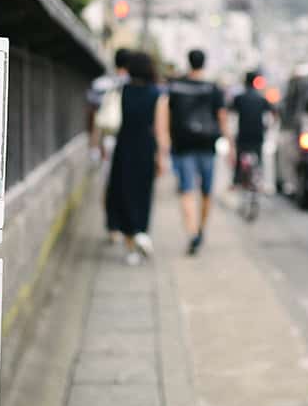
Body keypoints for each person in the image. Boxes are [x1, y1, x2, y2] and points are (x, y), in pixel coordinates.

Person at [104, 52, 169, 266]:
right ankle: (141, 232)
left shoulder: (123, 90)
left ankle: (131, 247)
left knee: (123, 192)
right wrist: (162, 157)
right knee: (143, 193)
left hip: (124, 146)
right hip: (145, 148)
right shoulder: (158, 95)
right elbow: (161, 131)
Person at [167, 48, 228, 255]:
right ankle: (201, 228)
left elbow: (167, 114)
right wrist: (229, 142)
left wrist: (166, 140)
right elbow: (222, 116)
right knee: (206, 192)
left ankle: (192, 232)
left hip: (183, 145)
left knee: (186, 190)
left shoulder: (176, 86)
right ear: (204, 63)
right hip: (207, 145)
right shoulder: (213, 88)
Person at [88, 49, 131, 241]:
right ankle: (123, 224)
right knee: (126, 184)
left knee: (107, 183)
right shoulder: (135, 85)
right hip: (128, 141)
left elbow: (93, 115)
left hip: (106, 139)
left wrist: (93, 144)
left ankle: (111, 226)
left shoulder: (100, 84)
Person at [230, 71, 274, 189]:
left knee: (240, 156)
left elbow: (232, 115)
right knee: (258, 158)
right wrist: (267, 128)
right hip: (257, 134)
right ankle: (259, 181)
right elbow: (272, 115)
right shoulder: (261, 99)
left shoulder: (239, 98)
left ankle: (236, 181)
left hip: (243, 134)